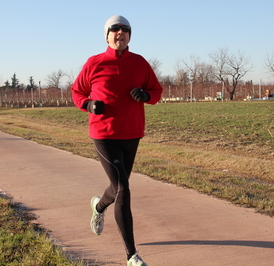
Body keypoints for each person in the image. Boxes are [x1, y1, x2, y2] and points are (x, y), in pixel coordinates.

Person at [72, 15, 163, 266]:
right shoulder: (95, 62)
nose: (120, 33)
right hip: (103, 134)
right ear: (107, 35)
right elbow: (77, 91)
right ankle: (131, 255)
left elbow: (156, 91)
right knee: (123, 189)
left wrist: (145, 94)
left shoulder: (140, 63)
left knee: (117, 187)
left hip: (132, 133)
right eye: (115, 30)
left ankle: (98, 207)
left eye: (125, 30)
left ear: (129, 36)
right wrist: (88, 104)